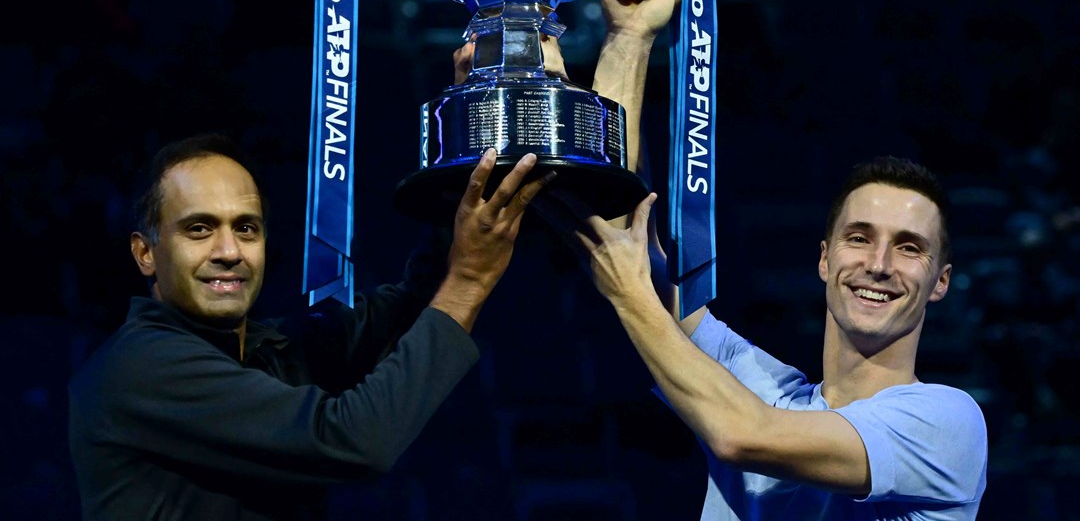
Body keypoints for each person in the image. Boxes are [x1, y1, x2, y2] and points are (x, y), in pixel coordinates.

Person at [68, 133, 551, 520]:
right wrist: (468, 280)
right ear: (144, 253)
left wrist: (471, 130)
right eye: (199, 228)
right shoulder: (140, 368)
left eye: (246, 227)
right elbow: (354, 439)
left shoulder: (270, 349)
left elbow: (409, 306)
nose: (229, 251)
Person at [541, 152, 989, 518]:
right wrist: (631, 45)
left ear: (941, 281)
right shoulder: (765, 390)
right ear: (825, 260)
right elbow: (627, 242)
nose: (878, 264)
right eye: (858, 238)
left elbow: (740, 435)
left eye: (909, 247)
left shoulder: (949, 422)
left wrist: (627, 293)